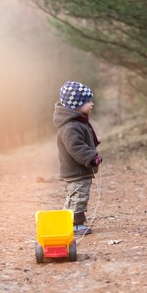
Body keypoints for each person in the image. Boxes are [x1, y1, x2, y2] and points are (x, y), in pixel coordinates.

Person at [53, 81, 102, 236]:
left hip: (79, 170)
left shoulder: (78, 122)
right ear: (76, 105)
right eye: (88, 101)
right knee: (79, 196)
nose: (91, 104)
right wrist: (91, 157)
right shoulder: (71, 127)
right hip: (76, 170)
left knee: (73, 196)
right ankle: (76, 224)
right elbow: (76, 147)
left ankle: (66, 220)